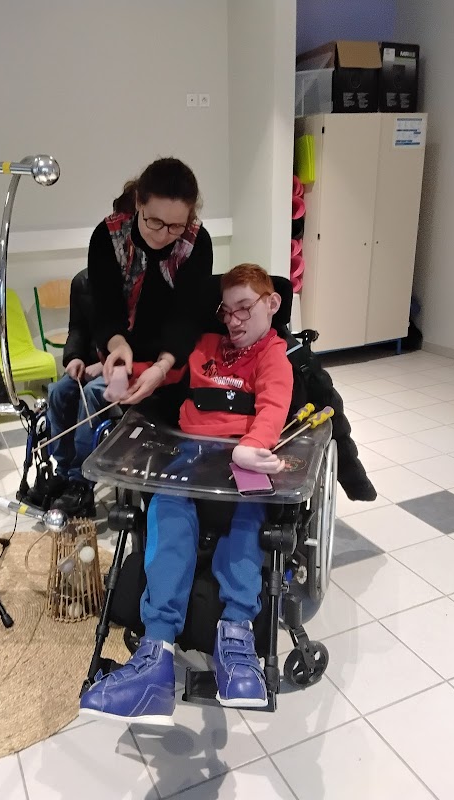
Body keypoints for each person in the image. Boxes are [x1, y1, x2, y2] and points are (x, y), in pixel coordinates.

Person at [80, 264, 294, 724]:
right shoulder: (207, 346)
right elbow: (166, 370)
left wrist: (254, 446)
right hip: (190, 457)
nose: (234, 320)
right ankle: (155, 656)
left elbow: (274, 405)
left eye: (244, 308)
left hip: (241, 459)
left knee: (247, 523)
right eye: (227, 311)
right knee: (166, 511)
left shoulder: (274, 356)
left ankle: (237, 639)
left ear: (272, 303)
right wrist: (120, 371)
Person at [88, 156, 213, 421]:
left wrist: (163, 366)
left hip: (173, 359)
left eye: (176, 226)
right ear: (138, 203)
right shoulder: (108, 237)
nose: (162, 234)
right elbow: (105, 310)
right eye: (154, 221)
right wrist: (118, 345)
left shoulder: (196, 242)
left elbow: (187, 317)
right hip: (122, 354)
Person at [44, 268, 104, 517]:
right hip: (89, 363)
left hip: (126, 368)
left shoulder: (137, 280)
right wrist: (74, 357)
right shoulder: (83, 281)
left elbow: (141, 340)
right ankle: (64, 472)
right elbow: (77, 328)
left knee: (91, 393)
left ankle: (81, 480)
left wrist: (105, 366)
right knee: (57, 391)